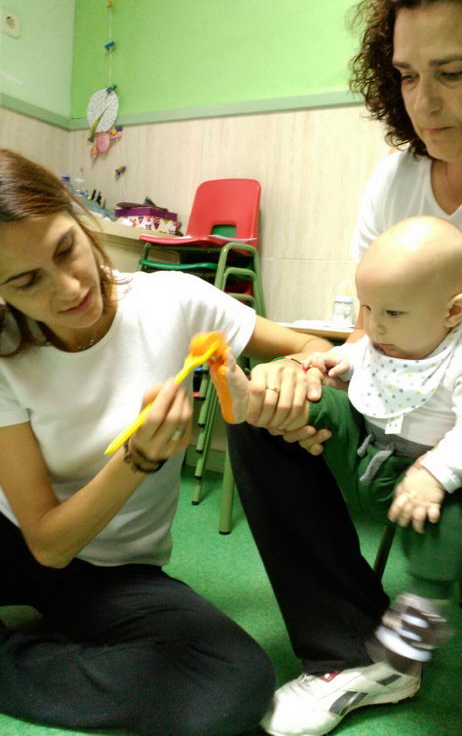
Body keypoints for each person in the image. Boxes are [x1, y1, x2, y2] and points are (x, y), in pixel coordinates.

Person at [226, 0, 462, 734]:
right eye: (408, 75)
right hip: (401, 429)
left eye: (452, 73)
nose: (424, 102)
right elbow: (370, 336)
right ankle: (359, 655)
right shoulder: (395, 180)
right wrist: (308, 371)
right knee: (263, 411)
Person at [0, 147, 332, 736]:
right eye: (28, 282)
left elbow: (312, 349)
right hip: (16, 543)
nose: (71, 287)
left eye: (66, 248)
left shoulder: (173, 301)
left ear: (79, 218)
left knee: (233, 680)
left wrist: (291, 374)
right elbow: (45, 543)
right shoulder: (5, 352)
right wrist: (140, 458)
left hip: (114, 571)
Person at [215, 216, 462, 679]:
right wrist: (324, 364)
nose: (375, 326)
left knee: (444, 525)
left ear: (452, 312)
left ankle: (422, 613)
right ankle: (253, 400)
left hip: (419, 471)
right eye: (368, 309)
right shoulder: (377, 338)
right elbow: (351, 355)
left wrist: (436, 474)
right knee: (319, 402)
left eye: (391, 313)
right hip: (363, 444)